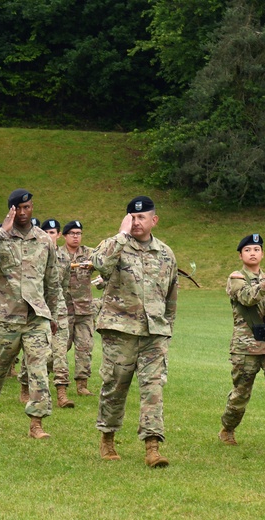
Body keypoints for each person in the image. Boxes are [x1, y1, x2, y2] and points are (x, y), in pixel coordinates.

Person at [91, 196, 176, 467]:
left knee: (153, 389)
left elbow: (171, 295)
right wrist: (121, 234)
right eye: (133, 217)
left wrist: (167, 328)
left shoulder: (165, 253)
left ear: (154, 220)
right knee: (115, 387)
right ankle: (107, 438)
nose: (137, 221)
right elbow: (100, 264)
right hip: (120, 332)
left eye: (142, 217)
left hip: (154, 333)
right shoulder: (115, 245)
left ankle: (152, 447)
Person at [0, 189, 61, 438]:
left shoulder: (44, 240)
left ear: (33, 208)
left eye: (28, 208)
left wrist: (53, 314)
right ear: (11, 210)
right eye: (18, 209)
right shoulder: (0, 237)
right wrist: (2, 232)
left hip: (36, 317)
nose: (23, 213)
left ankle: (36, 423)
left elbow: (52, 281)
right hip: (4, 317)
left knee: (39, 370)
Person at [218, 234, 265, 454]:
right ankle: (228, 428)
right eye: (248, 250)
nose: (252, 253)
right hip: (246, 345)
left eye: (256, 249)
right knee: (241, 393)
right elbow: (247, 298)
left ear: (262, 254)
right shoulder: (236, 278)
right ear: (241, 255)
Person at [59, 220, 96, 396]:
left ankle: (82, 385)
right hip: (64, 310)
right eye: (72, 233)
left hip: (84, 310)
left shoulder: (89, 254)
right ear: (65, 236)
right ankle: (50, 378)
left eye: (79, 233)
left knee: (85, 348)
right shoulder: (58, 254)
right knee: (58, 349)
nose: (76, 236)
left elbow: (106, 266)